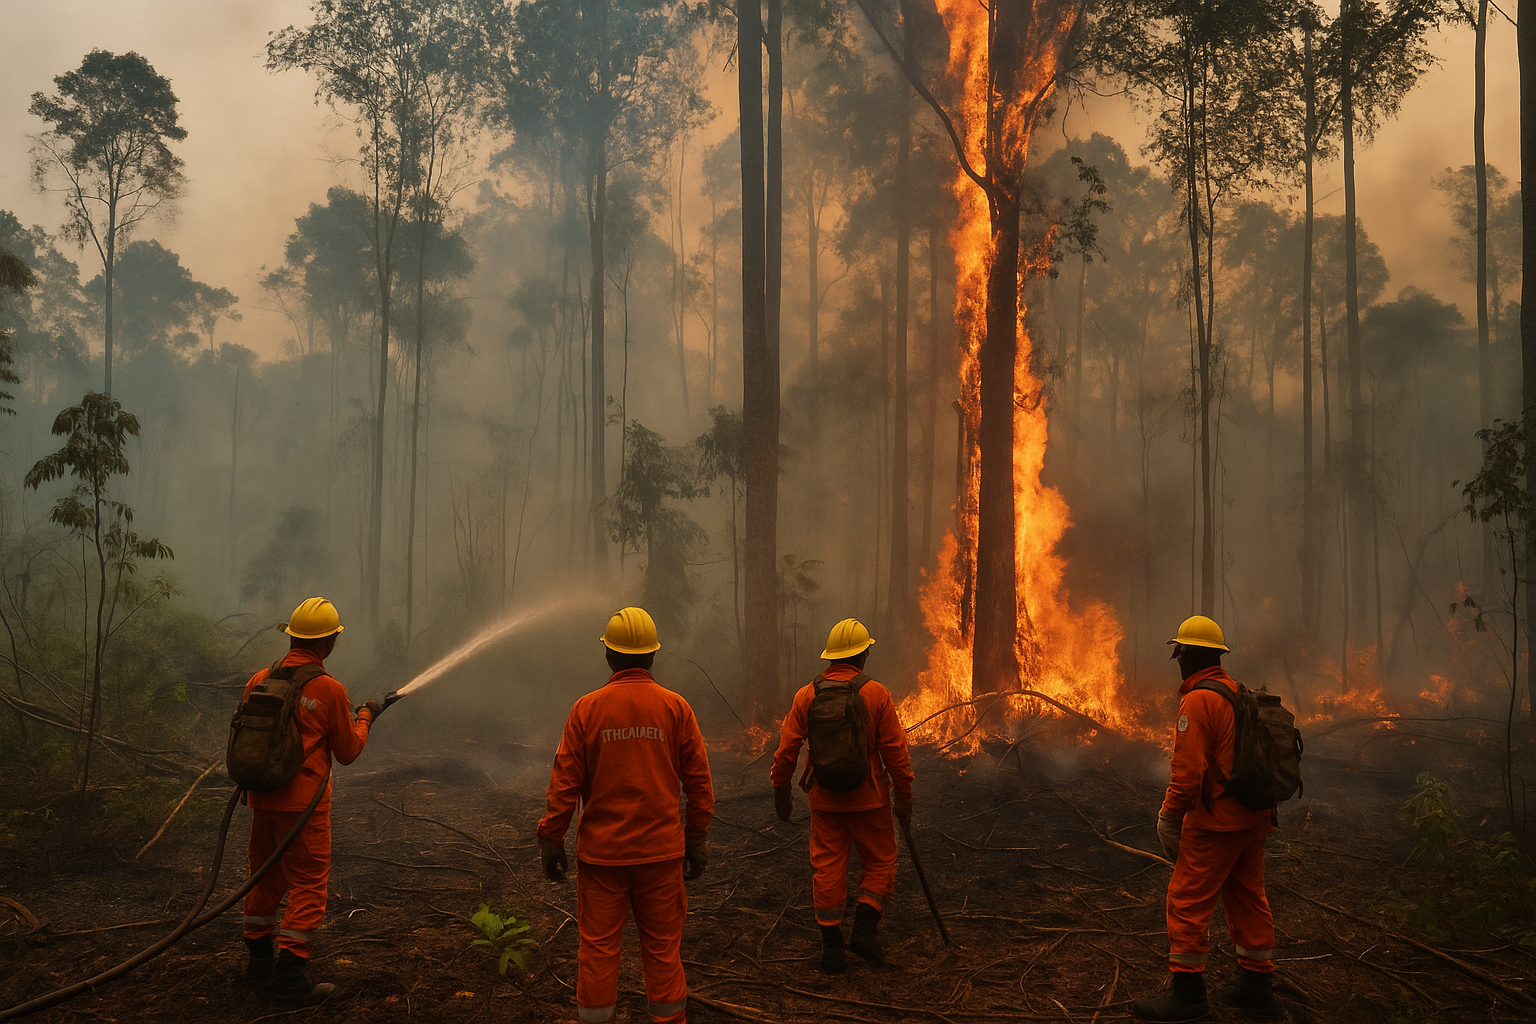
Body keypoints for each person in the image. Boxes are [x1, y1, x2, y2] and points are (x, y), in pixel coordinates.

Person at [537, 607, 714, 1024]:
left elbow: (565, 782)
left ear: (608, 656)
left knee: (597, 950)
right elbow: (700, 783)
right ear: (652, 657)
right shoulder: (676, 708)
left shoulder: (587, 710)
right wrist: (698, 838)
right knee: (663, 951)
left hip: (602, 859)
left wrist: (551, 837)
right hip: (661, 856)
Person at [1130, 615, 1279, 1022]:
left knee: (1186, 902)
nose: (1177, 662)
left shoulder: (1198, 700)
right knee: (1249, 898)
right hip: (1253, 818)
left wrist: (1169, 815)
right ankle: (1256, 988)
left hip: (1216, 824)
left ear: (1187, 656)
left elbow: (1188, 772)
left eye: (1179, 653)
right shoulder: (1236, 691)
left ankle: (1188, 998)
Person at [241, 597, 383, 1006]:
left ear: (292, 638)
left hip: (261, 798)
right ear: (329, 642)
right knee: (308, 883)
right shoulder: (328, 689)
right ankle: (290, 976)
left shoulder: (258, 680)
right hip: (303, 807)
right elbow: (348, 751)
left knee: (263, 877)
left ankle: (258, 963)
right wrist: (365, 717)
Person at [770, 617, 914, 973]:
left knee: (827, 868)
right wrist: (904, 796)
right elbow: (896, 753)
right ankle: (865, 928)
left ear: (830, 657)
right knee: (881, 862)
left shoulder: (807, 695)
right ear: (864, 655)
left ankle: (832, 948)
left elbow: (787, 750)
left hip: (825, 800)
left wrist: (781, 790)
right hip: (871, 799)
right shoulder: (876, 693)